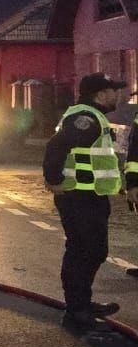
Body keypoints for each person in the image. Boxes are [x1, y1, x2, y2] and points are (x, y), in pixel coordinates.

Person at [43, 73, 130, 331]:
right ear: (101, 94)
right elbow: (57, 147)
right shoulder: (85, 119)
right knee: (84, 251)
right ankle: (76, 310)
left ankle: (82, 303)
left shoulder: (93, 116)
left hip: (89, 196)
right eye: (114, 90)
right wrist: (53, 178)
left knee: (92, 251)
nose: (119, 95)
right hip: (78, 197)